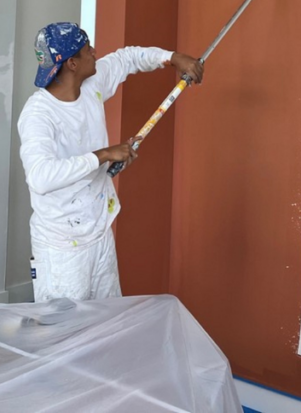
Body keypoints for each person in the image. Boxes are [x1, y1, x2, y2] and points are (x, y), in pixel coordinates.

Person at [17, 21, 203, 301]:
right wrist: (103, 155)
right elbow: (41, 178)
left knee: (106, 323)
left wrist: (172, 58)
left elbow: (127, 58)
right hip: (62, 247)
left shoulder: (91, 84)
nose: (94, 52)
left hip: (99, 231)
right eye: (87, 49)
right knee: (65, 336)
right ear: (71, 64)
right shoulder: (38, 114)